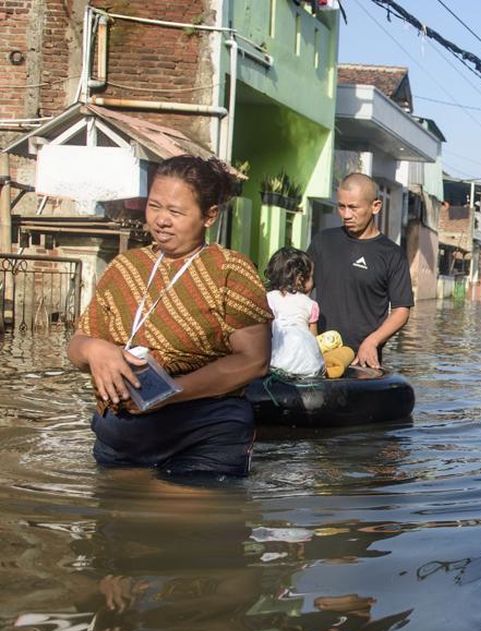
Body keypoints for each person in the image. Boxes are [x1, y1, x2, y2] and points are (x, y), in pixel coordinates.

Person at [67, 155, 273, 478]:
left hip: (205, 435)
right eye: (154, 206)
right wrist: (94, 349)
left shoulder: (230, 271)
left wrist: (172, 392)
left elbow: (254, 361)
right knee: (117, 521)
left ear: (210, 216)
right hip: (121, 438)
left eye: (175, 212)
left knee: (183, 523)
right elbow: (76, 344)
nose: (161, 220)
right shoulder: (125, 268)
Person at [308, 173, 413, 369]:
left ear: (375, 207)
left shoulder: (392, 254)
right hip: (319, 354)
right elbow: (302, 287)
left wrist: (373, 341)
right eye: (341, 206)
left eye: (353, 207)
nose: (346, 215)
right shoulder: (323, 242)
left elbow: (401, 311)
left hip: (362, 360)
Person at [264, 247, 325, 378]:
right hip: (308, 364)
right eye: (311, 277)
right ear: (299, 279)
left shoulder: (267, 298)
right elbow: (314, 338)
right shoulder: (311, 305)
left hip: (275, 360)